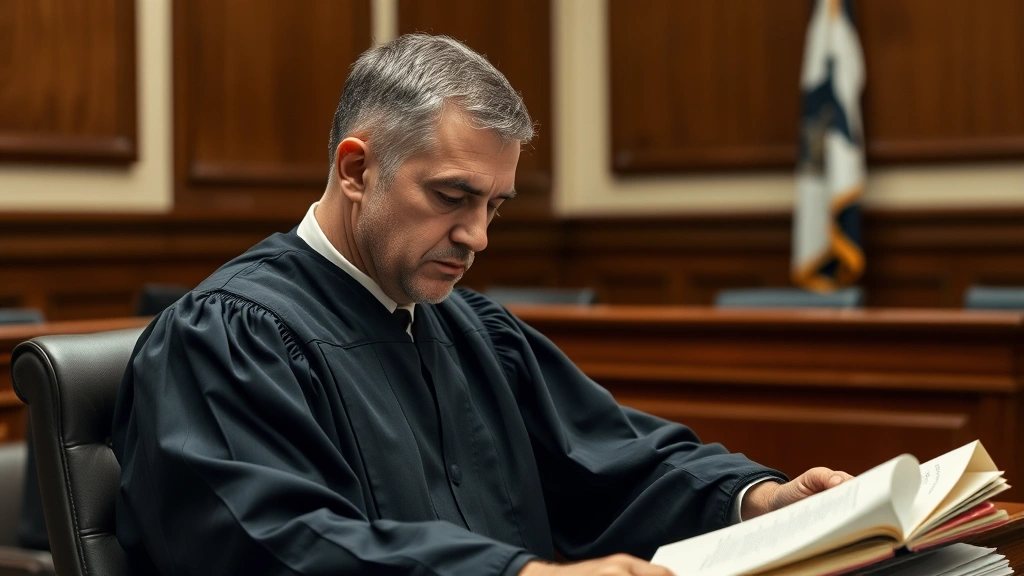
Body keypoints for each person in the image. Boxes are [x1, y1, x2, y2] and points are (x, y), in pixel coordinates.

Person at [111, 34, 852, 576]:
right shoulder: (229, 337)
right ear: (358, 169)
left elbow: (612, 463)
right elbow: (277, 545)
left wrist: (757, 499)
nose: (478, 236)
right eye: (453, 197)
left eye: (495, 205)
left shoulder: (472, 331)